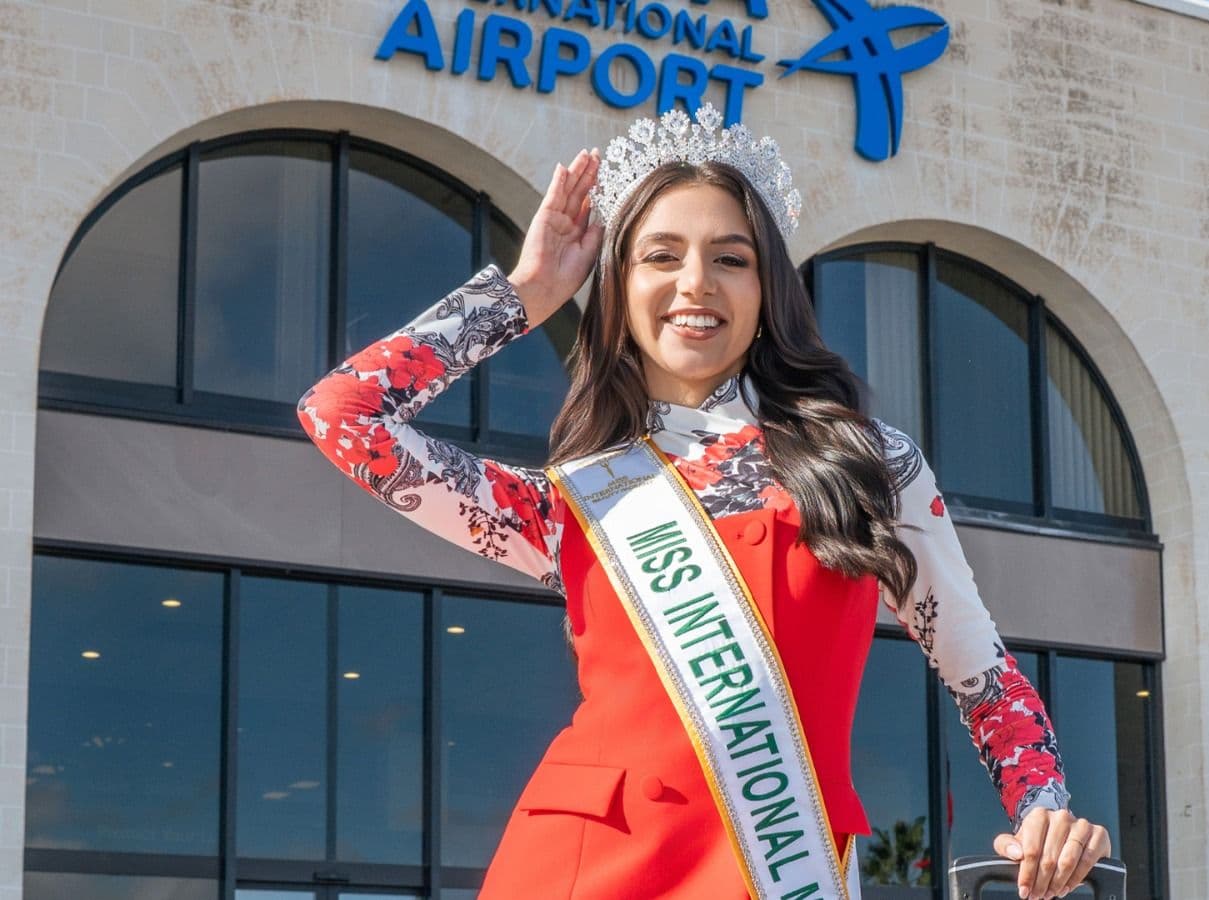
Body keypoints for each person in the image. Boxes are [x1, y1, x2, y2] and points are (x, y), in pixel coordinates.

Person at [296, 104, 1110, 899]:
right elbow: (343, 416)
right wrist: (528, 293)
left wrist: (1042, 806)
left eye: (730, 257)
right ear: (618, 286)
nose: (695, 283)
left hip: (778, 866)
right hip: (582, 866)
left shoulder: (869, 466)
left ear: (767, 289)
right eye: (660, 255)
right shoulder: (569, 502)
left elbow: (982, 675)